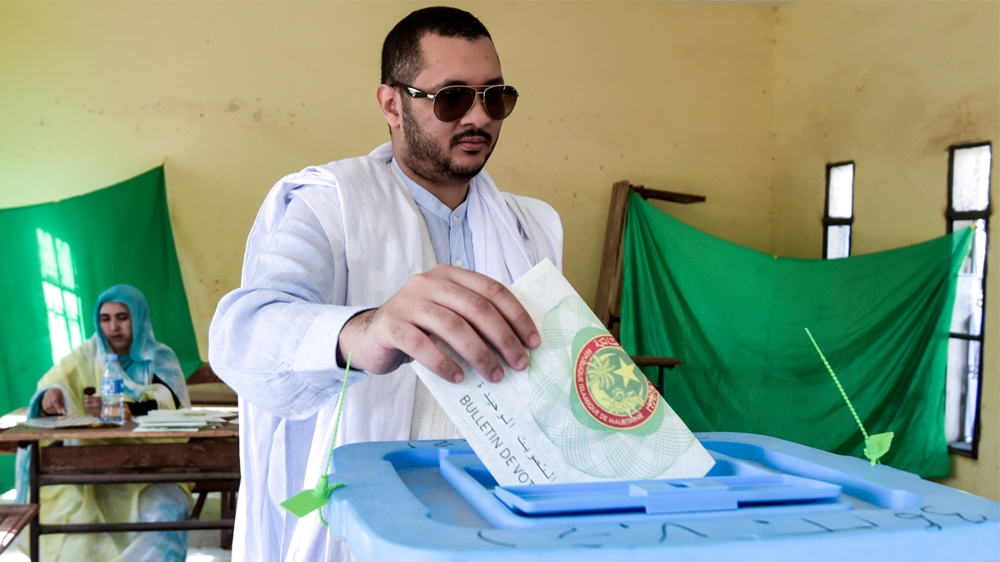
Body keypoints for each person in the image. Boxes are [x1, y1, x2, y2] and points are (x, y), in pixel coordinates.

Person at [208, 6, 563, 562]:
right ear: (392, 104)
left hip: (497, 522)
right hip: (365, 525)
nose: (478, 117)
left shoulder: (530, 227)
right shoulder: (329, 206)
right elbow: (241, 334)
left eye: (495, 97)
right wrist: (363, 330)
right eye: (451, 97)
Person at [14, 284, 193, 562]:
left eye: (122, 317)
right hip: (91, 472)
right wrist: (52, 396)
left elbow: (171, 401)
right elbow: (54, 382)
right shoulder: (86, 354)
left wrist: (131, 407)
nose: (113, 327)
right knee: (71, 517)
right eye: (105, 318)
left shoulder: (159, 359)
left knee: (168, 510)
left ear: (139, 317)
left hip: (151, 471)